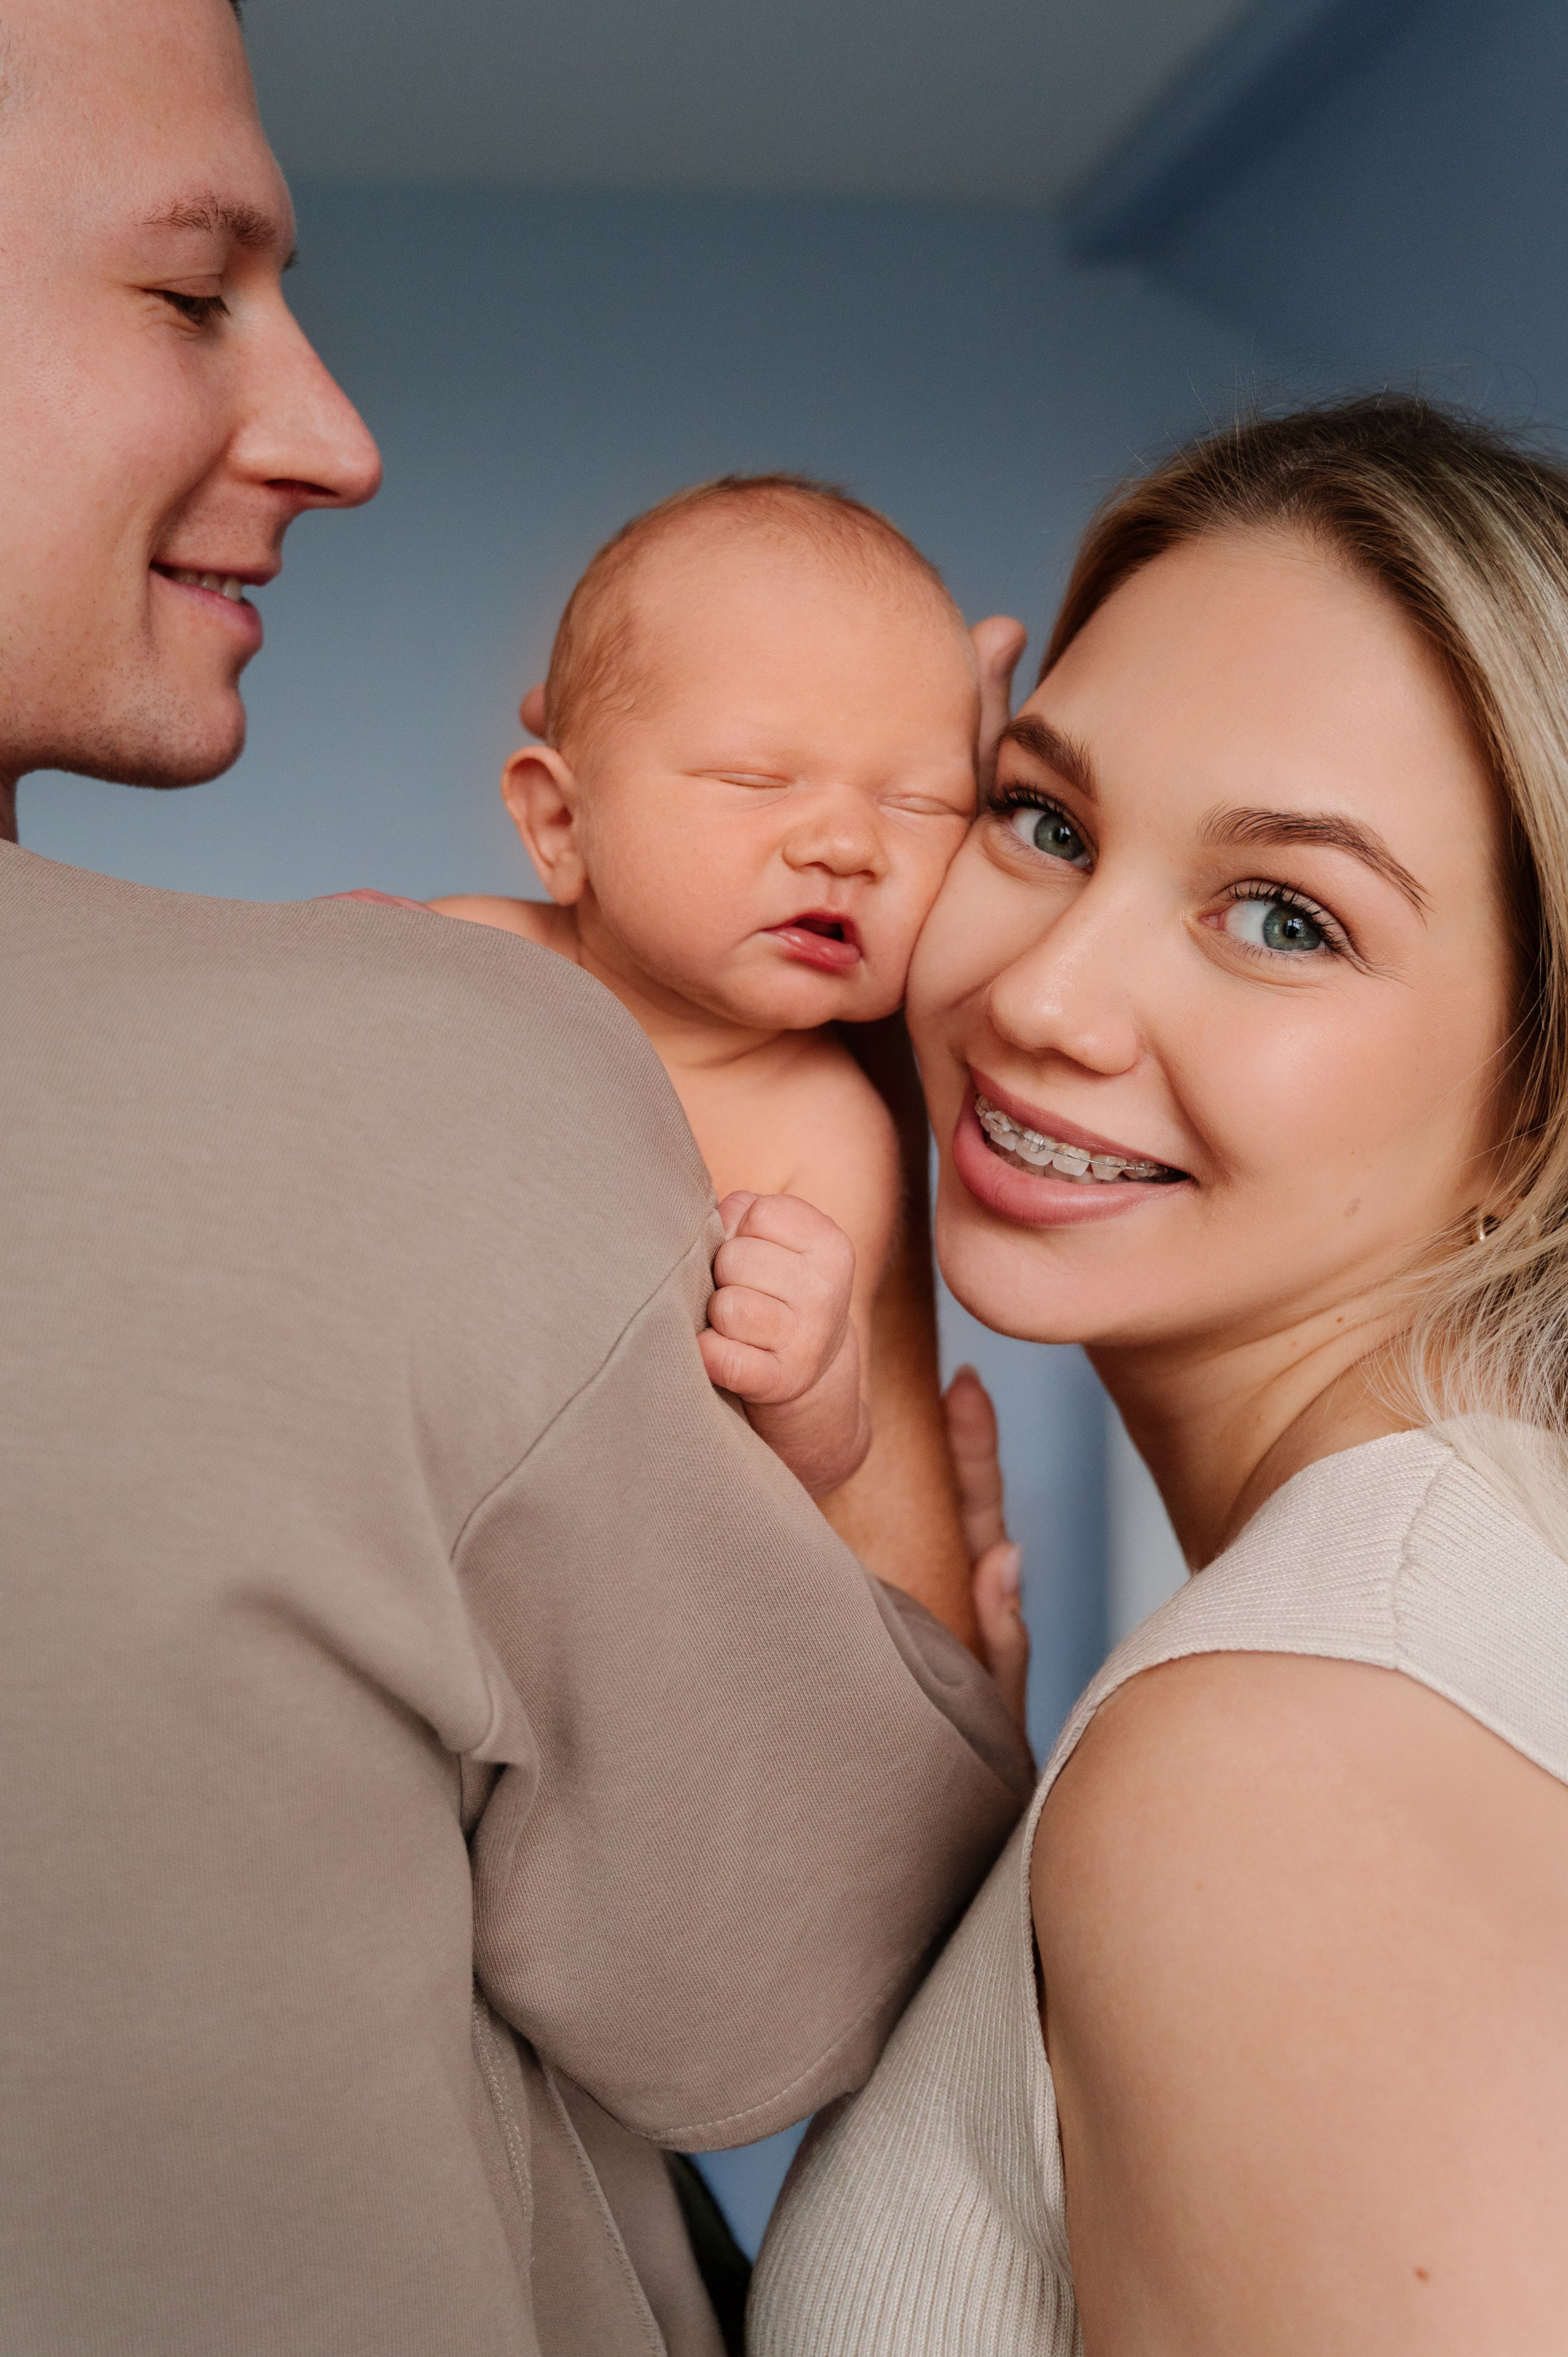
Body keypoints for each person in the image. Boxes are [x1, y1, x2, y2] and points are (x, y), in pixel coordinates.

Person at [0, 6, 1033, 2354]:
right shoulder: (434, 1053)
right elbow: (785, 1986)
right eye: (187, 292)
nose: (340, 436)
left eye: (944, 806)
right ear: (549, 814)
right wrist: (960, 1656)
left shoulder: (522, 1055)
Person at [753, 396, 1568, 2355]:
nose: (1039, 992)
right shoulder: (1430, 1600)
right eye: (1044, 820)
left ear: (1539, 1090)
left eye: (1286, 916)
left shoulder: (1284, 1751)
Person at [420, 473, 995, 1646]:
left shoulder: (826, 1131)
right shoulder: (454, 963)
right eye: (756, 782)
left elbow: (827, 1468)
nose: (847, 844)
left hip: (609, 1613)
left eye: (922, 806)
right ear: (561, 825)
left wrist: (805, 1379)